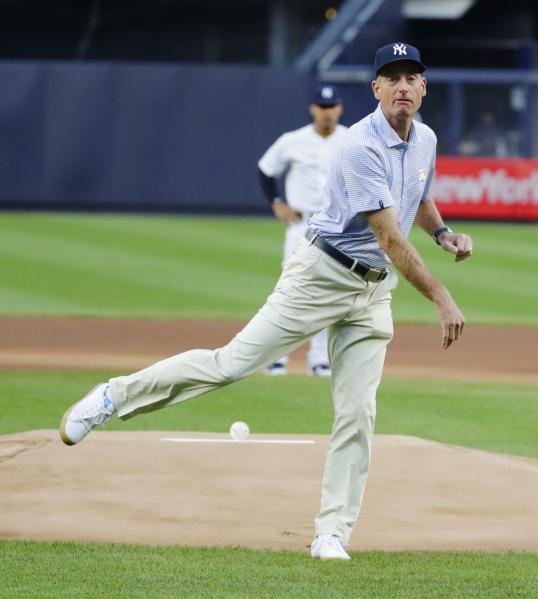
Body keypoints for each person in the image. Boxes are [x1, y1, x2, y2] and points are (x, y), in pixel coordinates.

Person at [58, 41, 474, 561]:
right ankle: (113, 397)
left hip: (373, 293)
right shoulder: (360, 145)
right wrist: (440, 296)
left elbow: (419, 196)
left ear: (424, 86)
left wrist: (444, 233)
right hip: (322, 275)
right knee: (230, 364)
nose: (403, 86)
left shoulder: (426, 139)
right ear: (376, 89)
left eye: (412, 76)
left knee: (357, 413)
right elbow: (389, 237)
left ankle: (332, 532)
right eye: (392, 78)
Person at [257, 84, 349, 376]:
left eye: (332, 106)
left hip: (336, 227)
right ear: (312, 109)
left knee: (328, 288)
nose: (327, 112)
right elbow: (265, 169)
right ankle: (277, 356)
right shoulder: (292, 140)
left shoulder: (352, 140)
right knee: (288, 288)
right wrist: (276, 202)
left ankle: (319, 358)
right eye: (322, 107)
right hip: (301, 224)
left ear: (340, 108)